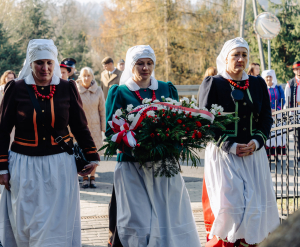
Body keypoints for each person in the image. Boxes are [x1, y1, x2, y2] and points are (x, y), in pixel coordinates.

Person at [0, 39, 100, 246]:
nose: (44, 68)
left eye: (49, 62)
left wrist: (92, 156)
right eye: (39, 63)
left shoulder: (67, 88)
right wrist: (2, 167)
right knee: (27, 220)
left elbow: (80, 126)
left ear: (54, 63)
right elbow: (2, 130)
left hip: (60, 166)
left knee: (57, 222)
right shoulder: (15, 88)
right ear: (30, 63)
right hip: (24, 165)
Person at [106, 45, 201, 247]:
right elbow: (111, 131)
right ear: (131, 66)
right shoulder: (120, 93)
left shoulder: (166, 88)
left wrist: (174, 145)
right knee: (138, 219)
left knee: (170, 216)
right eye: (140, 63)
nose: (145, 68)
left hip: (163, 166)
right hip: (133, 166)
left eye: (149, 63)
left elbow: (179, 123)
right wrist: (136, 147)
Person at [198, 37, 279, 247]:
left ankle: (249, 243)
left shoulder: (258, 83)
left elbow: (266, 117)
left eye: (244, 55)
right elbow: (205, 122)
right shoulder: (213, 84)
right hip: (224, 155)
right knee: (231, 206)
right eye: (236, 54)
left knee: (254, 206)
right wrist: (229, 145)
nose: (240, 59)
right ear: (226, 58)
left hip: (253, 154)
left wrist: (257, 141)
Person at [76, 67, 106, 188]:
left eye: (89, 76)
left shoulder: (98, 90)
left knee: (95, 152)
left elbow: (102, 110)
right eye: (84, 76)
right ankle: (84, 177)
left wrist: (104, 127)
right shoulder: (76, 90)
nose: (86, 78)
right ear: (80, 77)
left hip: (95, 127)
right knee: (82, 152)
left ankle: (92, 177)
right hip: (81, 127)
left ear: (92, 77)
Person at [262, 69, 286, 156]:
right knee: (269, 134)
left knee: (278, 134)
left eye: (270, 77)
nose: (268, 78)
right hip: (267, 114)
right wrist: (269, 109)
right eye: (267, 77)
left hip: (278, 114)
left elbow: (282, 100)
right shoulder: (263, 88)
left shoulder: (278, 88)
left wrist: (277, 109)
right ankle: (268, 154)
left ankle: (276, 154)